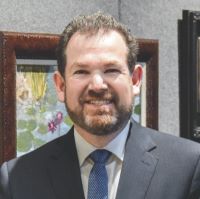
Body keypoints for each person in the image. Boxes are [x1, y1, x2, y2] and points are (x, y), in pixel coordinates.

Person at [0, 12, 200, 199]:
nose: (97, 85)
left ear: (136, 80)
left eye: (111, 69)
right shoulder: (18, 179)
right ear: (61, 86)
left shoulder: (188, 166)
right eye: (81, 72)